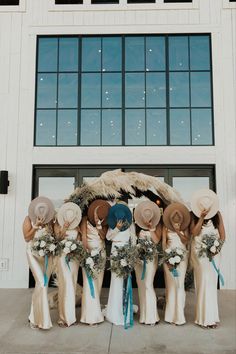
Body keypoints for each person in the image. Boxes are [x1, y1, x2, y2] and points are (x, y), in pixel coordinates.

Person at [190, 189, 226, 329]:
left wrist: (217, 249)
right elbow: (194, 232)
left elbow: (222, 235)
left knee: (211, 285)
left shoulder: (217, 215)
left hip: (214, 255)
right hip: (200, 255)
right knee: (203, 282)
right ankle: (203, 318)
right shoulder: (193, 215)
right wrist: (201, 217)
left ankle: (211, 317)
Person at [22, 196, 55, 330]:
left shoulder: (49, 221)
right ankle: (41, 320)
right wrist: (35, 227)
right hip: (33, 254)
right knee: (41, 282)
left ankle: (33, 316)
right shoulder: (28, 219)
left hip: (46, 256)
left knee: (42, 285)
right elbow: (26, 238)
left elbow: (53, 237)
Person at [80, 200, 109, 326]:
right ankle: (89, 317)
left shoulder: (105, 221)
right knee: (89, 283)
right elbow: (84, 238)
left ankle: (95, 312)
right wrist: (87, 255)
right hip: (89, 255)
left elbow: (104, 237)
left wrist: (99, 226)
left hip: (101, 254)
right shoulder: (85, 220)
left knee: (98, 283)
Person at [162, 202, 190, 325]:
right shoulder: (165, 227)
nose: (176, 221)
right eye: (174, 220)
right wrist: (167, 257)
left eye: (178, 220)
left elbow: (186, 241)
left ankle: (179, 316)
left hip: (182, 258)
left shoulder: (185, 228)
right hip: (169, 257)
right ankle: (170, 316)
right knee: (171, 285)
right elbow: (163, 243)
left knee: (179, 285)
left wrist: (178, 231)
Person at [134, 200, 162, 325]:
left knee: (148, 285)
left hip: (150, 259)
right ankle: (144, 315)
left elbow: (156, 241)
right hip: (139, 260)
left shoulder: (158, 225)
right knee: (141, 286)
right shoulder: (137, 226)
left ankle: (152, 316)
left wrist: (151, 229)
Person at [54, 202, 82, 327]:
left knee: (72, 285)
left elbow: (80, 241)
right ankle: (62, 318)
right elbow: (57, 240)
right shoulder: (57, 224)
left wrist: (75, 248)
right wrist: (64, 227)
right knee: (64, 285)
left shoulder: (77, 227)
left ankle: (70, 317)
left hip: (74, 258)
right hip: (62, 257)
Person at [105, 203, 133, 326]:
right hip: (115, 250)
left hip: (126, 251)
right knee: (116, 279)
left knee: (125, 280)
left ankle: (125, 309)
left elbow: (134, 239)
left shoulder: (130, 226)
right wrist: (116, 228)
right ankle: (114, 312)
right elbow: (108, 238)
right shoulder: (112, 226)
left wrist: (131, 255)